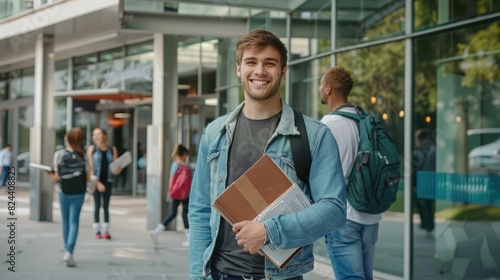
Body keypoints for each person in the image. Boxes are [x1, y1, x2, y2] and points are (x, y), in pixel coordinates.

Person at [188, 29, 346, 280]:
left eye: (269, 63)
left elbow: (334, 209)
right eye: (251, 62)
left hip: (281, 276)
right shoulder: (214, 134)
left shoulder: (314, 136)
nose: (260, 71)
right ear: (239, 68)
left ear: (283, 71)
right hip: (219, 275)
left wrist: (268, 231)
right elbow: (199, 210)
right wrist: (197, 275)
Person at [319, 66, 381, 279]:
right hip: (371, 215)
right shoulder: (365, 119)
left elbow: (321, 173)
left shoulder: (328, 124)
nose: (319, 88)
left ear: (328, 89)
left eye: (320, 84)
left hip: (343, 215)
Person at [47, 128, 88, 267]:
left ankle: (67, 251)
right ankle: (69, 252)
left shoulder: (59, 154)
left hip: (63, 191)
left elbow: (56, 177)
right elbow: (87, 177)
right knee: (74, 222)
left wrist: (50, 174)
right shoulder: (83, 155)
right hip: (79, 192)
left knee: (65, 221)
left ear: (68, 138)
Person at [149, 144, 191, 246]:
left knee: (174, 213)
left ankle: (157, 231)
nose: (186, 157)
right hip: (184, 193)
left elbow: (171, 179)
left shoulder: (176, 164)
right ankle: (157, 231)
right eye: (185, 155)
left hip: (176, 192)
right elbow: (172, 179)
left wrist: (170, 191)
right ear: (183, 154)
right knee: (184, 213)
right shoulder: (183, 165)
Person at [87, 127, 122, 240]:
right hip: (96, 182)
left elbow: (115, 168)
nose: (96, 137)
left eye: (98, 134)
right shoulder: (92, 149)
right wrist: (97, 184)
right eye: (94, 135)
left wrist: (118, 168)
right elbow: (91, 170)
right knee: (97, 206)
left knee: (106, 206)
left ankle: (106, 230)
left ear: (104, 136)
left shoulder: (112, 149)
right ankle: (97, 231)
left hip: (108, 182)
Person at [413, 128, 436, 233]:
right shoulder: (422, 151)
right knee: (424, 203)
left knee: (426, 203)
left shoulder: (428, 150)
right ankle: (427, 223)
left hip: (427, 181)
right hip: (424, 181)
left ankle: (428, 223)